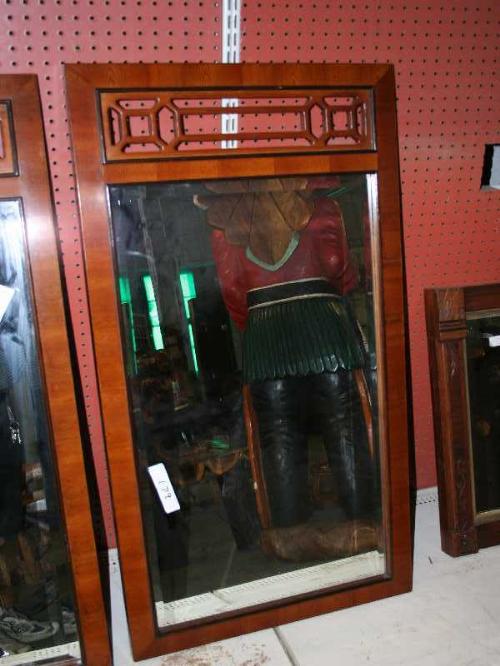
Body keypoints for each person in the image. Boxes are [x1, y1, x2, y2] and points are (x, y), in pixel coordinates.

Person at [195, 177, 378, 561]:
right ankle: (362, 518)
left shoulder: (224, 220)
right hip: (324, 323)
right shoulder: (323, 208)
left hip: (265, 334)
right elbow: (339, 267)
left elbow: (232, 290)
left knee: (278, 433)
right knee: (344, 424)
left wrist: (257, 325)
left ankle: (289, 529)